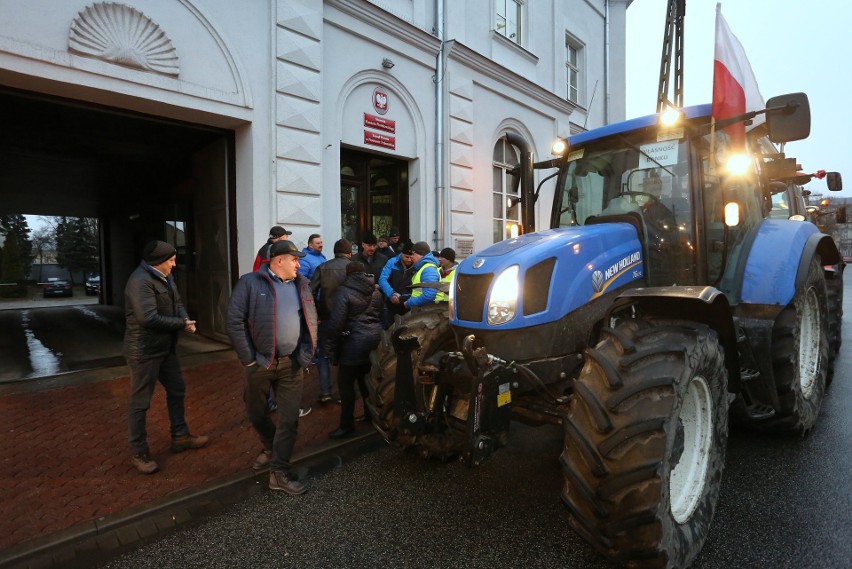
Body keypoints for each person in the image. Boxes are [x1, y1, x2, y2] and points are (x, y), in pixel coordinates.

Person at [226, 240, 318, 496]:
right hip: (260, 364)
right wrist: (249, 359)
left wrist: (305, 353)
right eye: (295, 260)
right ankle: (270, 447)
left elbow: (310, 319)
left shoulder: (302, 285)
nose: (299, 264)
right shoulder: (250, 283)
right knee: (256, 413)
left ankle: (278, 472)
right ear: (279, 261)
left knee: (289, 420)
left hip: (291, 364)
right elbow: (234, 321)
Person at [124, 240, 208, 475]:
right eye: (170, 260)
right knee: (140, 403)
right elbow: (147, 318)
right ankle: (139, 451)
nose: (174, 264)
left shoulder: (165, 277)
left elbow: (177, 302)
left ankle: (180, 436)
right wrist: (182, 324)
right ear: (158, 262)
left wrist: (186, 319)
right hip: (144, 351)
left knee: (177, 390)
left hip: (165, 348)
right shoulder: (139, 282)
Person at [324, 261, 383, 438]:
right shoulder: (376, 291)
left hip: (352, 343)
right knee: (367, 381)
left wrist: (330, 347)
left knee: (346, 386)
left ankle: (346, 425)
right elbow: (380, 315)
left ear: (348, 274)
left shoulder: (344, 291)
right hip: (373, 340)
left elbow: (336, 323)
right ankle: (370, 415)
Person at [310, 238, 352, 403]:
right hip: (348, 318)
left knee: (323, 355)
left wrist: (317, 314)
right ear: (349, 253)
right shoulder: (353, 268)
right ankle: (343, 394)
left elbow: (310, 292)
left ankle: (326, 391)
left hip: (327, 317)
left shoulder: (323, 267)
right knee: (345, 356)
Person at [378, 240, 415, 327]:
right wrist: (392, 294)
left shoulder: (417, 266)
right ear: (401, 254)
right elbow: (382, 279)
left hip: (408, 304)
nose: (409, 260)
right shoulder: (392, 262)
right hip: (390, 303)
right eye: (406, 257)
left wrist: (402, 298)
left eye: (411, 257)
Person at [403, 241, 441, 311]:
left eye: (413, 254)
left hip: (429, 311)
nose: (411, 257)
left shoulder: (428, 270)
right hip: (424, 309)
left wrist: (409, 303)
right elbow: (418, 292)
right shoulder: (423, 268)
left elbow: (429, 295)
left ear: (420, 255)